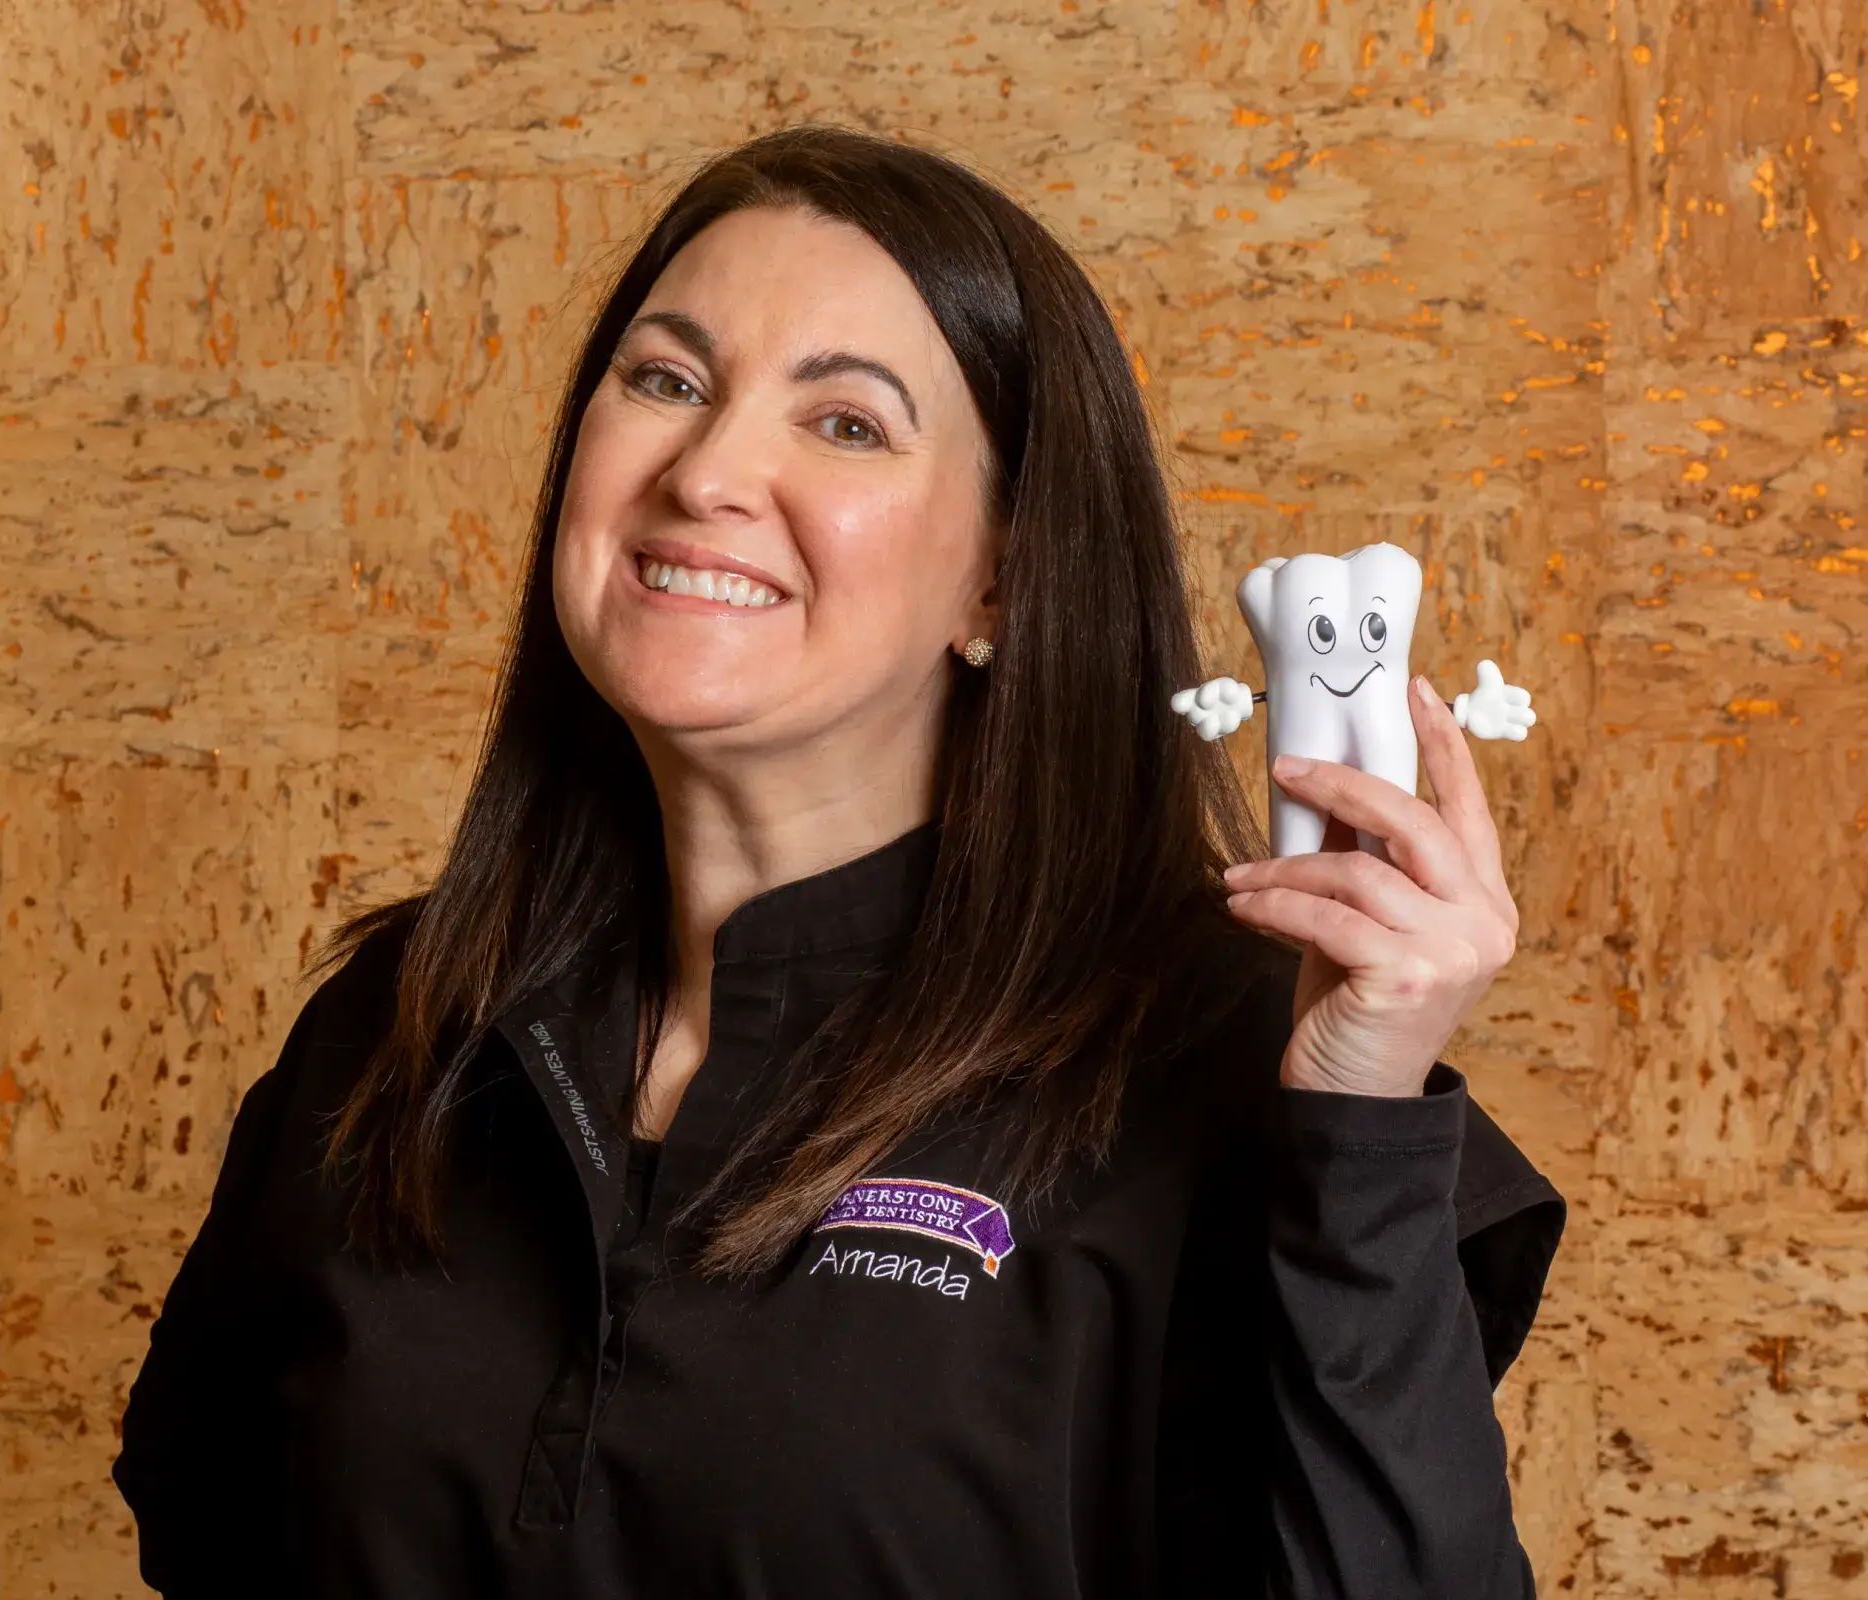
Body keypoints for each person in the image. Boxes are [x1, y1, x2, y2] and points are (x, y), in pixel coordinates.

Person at [113, 124, 1564, 1598]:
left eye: (849, 424)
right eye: (667, 382)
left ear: (1003, 573)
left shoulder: (1232, 1061)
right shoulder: (393, 1030)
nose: (710, 472)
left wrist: (1360, 1128)